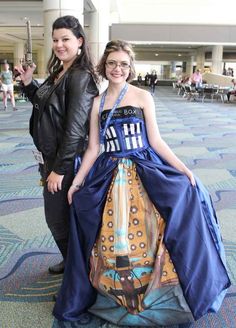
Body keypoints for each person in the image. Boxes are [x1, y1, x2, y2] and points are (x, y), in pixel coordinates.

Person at [53, 40, 230, 327]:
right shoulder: (97, 103)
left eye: (123, 64)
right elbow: (93, 148)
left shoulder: (142, 96)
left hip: (143, 166)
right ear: (104, 66)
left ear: (130, 67)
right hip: (108, 170)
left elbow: (156, 140)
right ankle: (111, 293)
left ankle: (163, 291)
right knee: (102, 224)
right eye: (112, 63)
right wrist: (78, 182)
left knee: (168, 211)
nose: (117, 69)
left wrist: (184, 169)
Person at [15, 15, 98, 275]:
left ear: (80, 41)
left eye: (65, 39)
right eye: (55, 40)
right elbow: (45, 106)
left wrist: (60, 169)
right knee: (60, 218)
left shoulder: (80, 76)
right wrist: (29, 84)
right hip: (51, 157)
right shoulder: (60, 72)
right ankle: (72, 261)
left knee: (58, 220)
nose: (59, 45)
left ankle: (78, 276)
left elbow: (75, 129)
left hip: (67, 161)